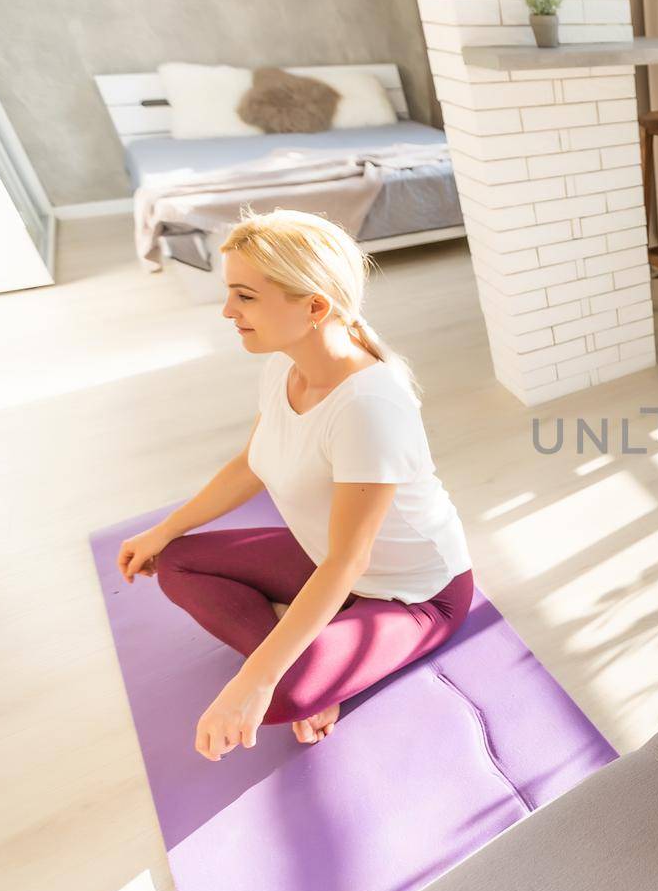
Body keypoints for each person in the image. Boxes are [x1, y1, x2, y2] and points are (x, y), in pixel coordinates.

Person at [115, 210, 475, 762]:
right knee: (177, 558)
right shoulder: (284, 367)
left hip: (415, 596)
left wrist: (252, 682)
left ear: (314, 307)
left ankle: (309, 646)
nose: (228, 311)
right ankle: (310, 635)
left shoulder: (369, 406)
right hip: (325, 560)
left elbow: (346, 564)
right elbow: (251, 463)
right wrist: (162, 530)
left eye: (245, 296)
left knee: (278, 695)